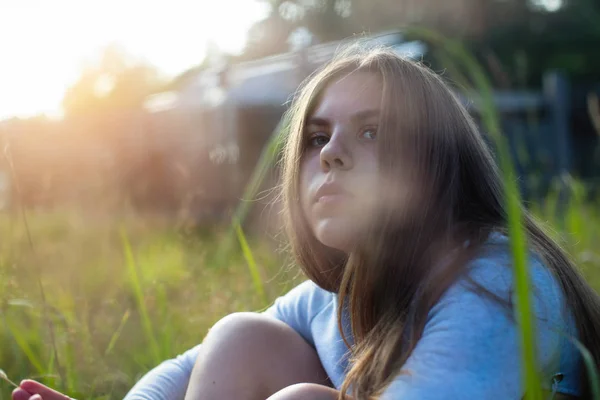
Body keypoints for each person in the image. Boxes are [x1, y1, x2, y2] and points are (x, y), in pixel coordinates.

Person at [12, 46, 600, 400]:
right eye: (318, 137)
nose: (331, 154)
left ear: (437, 160)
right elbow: (189, 370)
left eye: (372, 132)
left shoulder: (497, 285)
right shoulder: (341, 294)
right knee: (242, 337)